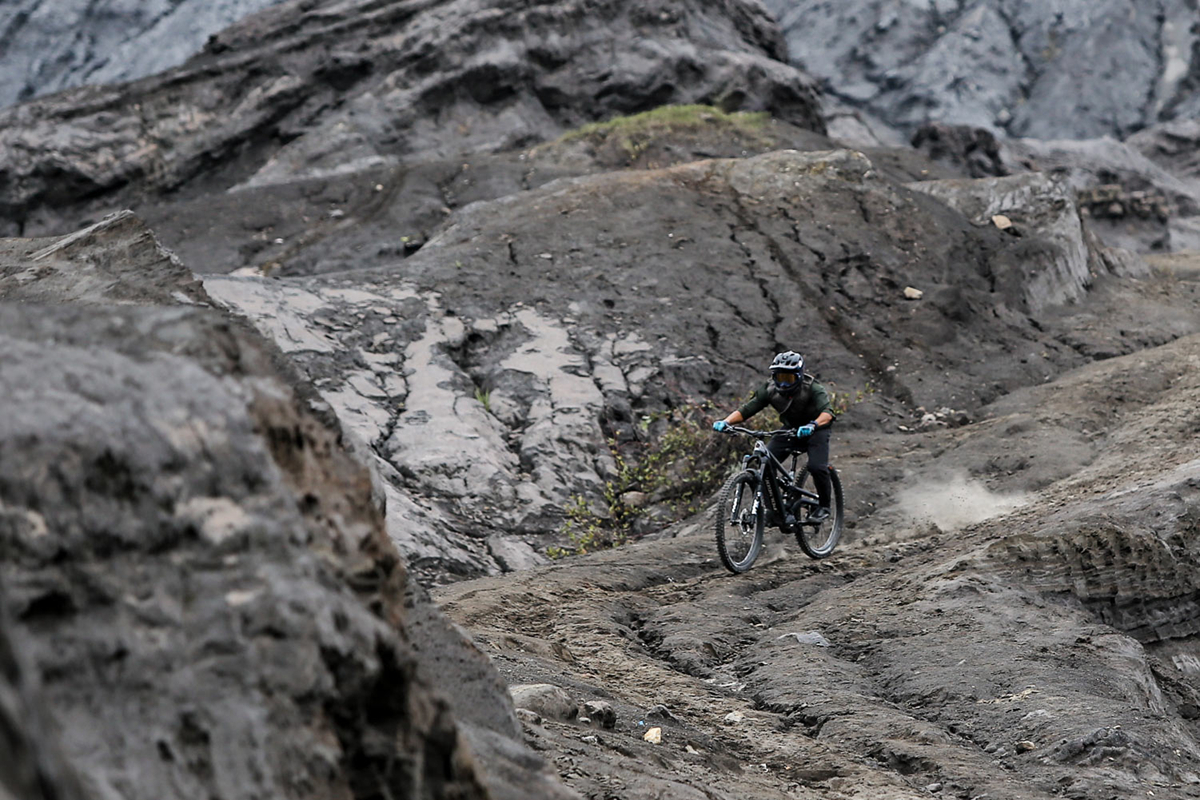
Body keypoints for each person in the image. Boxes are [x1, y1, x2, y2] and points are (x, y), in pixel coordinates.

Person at [712, 351, 836, 523]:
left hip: (817, 429)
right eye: (779, 377)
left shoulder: (813, 388)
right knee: (765, 462)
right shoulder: (769, 389)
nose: (783, 383)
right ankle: (776, 511)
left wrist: (812, 425)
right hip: (790, 429)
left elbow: (828, 413)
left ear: (799, 376)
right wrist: (726, 422)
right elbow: (748, 409)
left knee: (816, 467)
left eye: (789, 378)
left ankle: (823, 506)